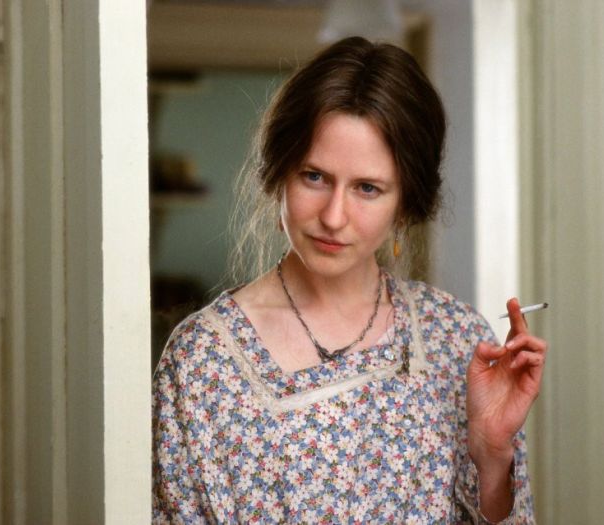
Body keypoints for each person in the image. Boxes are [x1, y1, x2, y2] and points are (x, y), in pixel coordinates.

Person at [153, 36, 546, 524]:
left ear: (405, 204)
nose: (333, 216)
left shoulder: (456, 338)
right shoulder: (203, 361)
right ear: (279, 173)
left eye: (367, 188)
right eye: (314, 177)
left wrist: (491, 455)